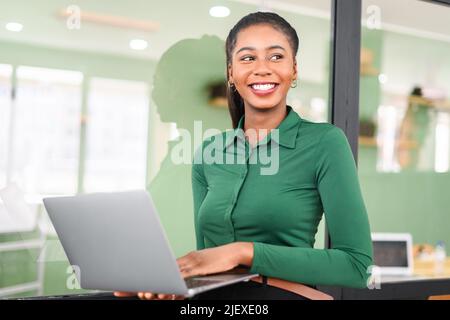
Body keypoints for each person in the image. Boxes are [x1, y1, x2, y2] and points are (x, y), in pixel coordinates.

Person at [115, 11, 373, 300]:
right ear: (230, 72)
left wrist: (243, 252)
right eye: (248, 58)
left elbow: (356, 266)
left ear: (294, 69)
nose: (262, 68)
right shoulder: (209, 154)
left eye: (276, 57)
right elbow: (208, 263)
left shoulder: (325, 143)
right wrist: (173, 282)